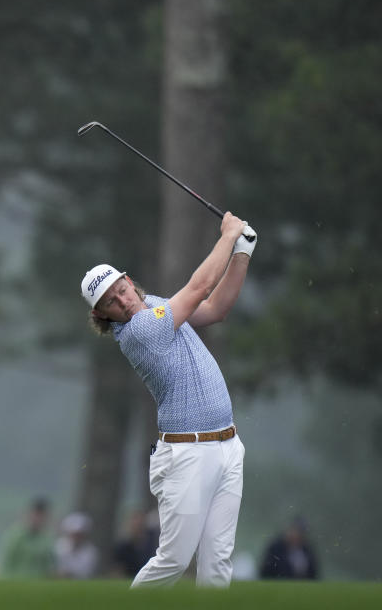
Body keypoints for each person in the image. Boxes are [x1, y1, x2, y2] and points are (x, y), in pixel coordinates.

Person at [80, 211, 256, 587]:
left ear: (128, 280)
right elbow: (198, 289)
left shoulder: (157, 306)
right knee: (173, 560)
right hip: (187, 456)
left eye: (120, 290)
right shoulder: (138, 331)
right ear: (102, 314)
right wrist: (227, 236)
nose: (123, 302)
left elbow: (215, 309)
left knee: (218, 564)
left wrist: (242, 252)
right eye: (111, 302)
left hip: (227, 446)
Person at [0, 497, 55, 578]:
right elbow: (6, 561)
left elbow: (49, 563)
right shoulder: (15, 535)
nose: (39, 519)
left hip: (39, 585)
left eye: (42, 516)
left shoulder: (47, 538)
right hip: (17, 582)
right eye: (36, 514)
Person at [112, 508, 160, 578]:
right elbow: (117, 572)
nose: (137, 526)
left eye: (140, 524)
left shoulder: (154, 546)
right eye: (135, 523)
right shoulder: (123, 548)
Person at [55, 512, 98, 579]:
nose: (76, 537)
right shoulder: (59, 546)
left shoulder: (91, 552)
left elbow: (86, 573)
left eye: (79, 534)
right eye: (74, 534)